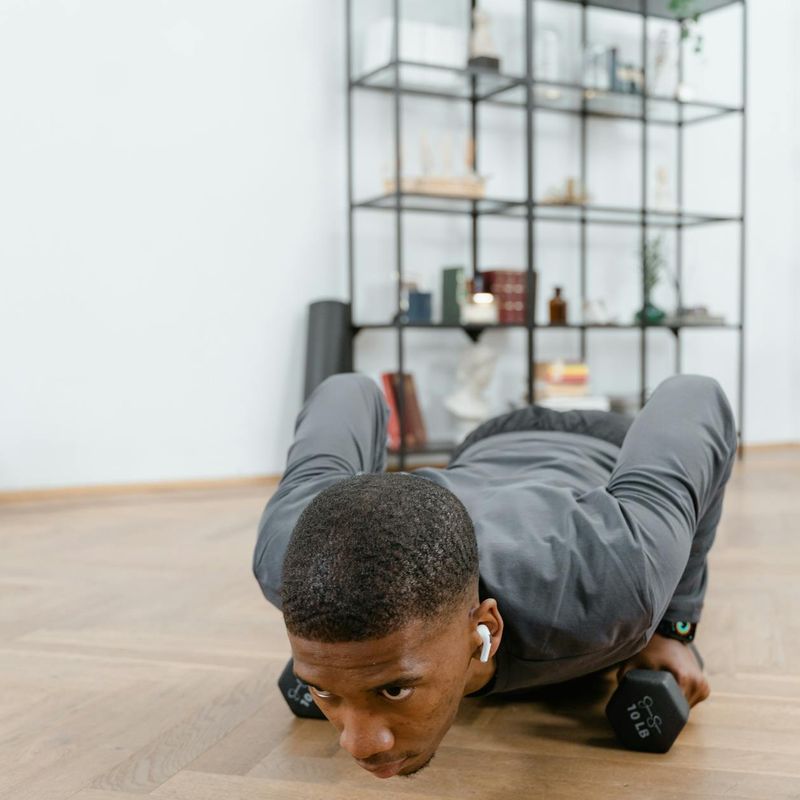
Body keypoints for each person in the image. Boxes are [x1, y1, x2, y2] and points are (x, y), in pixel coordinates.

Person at [252, 372, 737, 779]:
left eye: (394, 688)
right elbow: (348, 389)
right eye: (323, 691)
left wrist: (675, 624)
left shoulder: (612, 575)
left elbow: (695, 395)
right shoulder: (292, 557)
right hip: (485, 445)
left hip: (605, 444)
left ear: (486, 628)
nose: (358, 746)